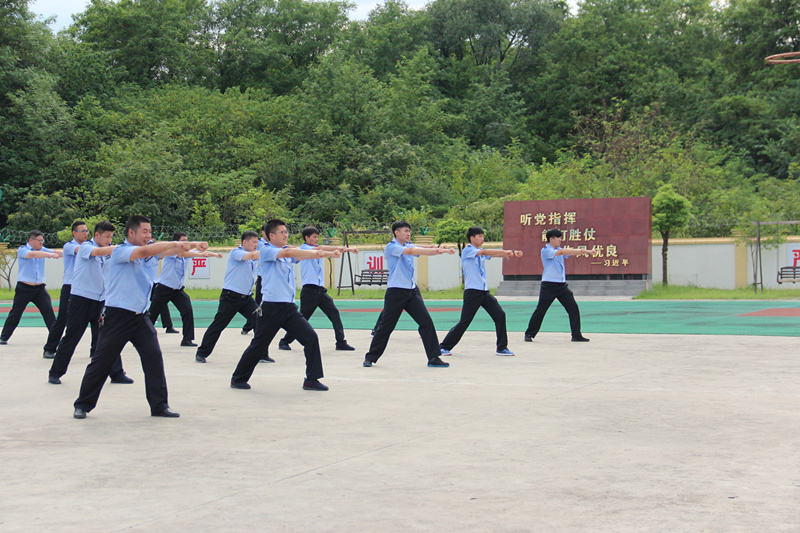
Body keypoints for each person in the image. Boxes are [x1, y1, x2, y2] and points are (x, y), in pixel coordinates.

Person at [72, 215, 208, 419]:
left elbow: (168, 250)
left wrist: (190, 246)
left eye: (150, 232)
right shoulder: (121, 251)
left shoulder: (150, 251)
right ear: (131, 233)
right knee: (102, 361)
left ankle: (159, 405)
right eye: (144, 231)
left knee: (154, 359)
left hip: (141, 317)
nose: (149, 235)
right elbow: (146, 250)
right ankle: (83, 404)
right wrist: (189, 243)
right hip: (118, 316)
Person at [230, 219, 340, 392]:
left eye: (287, 232)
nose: (286, 235)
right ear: (271, 235)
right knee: (258, 345)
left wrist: (324, 253)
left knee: (311, 338)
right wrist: (317, 253)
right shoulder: (266, 250)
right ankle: (238, 378)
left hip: (289, 308)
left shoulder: (284, 251)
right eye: (283, 232)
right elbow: (289, 253)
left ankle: (311, 379)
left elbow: (300, 255)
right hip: (271, 308)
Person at [48, 221, 133, 385]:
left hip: (101, 301)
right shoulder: (86, 247)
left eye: (111, 237)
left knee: (108, 337)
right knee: (72, 336)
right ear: (97, 235)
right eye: (107, 236)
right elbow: (99, 251)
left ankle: (116, 373)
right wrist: (121, 248)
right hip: (81, 300)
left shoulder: (110, 251)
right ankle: (55, 372)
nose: (109, 239)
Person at [363, 221, 455, 369]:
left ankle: (433, 357)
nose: (408, 233)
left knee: (426, 322)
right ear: (396, 233)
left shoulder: (407, 245)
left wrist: (437, 247)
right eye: (405, 231)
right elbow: (412, 251)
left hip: (411, 292)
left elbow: (420, 247)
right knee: (386, 327)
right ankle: (371, 357)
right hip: (396, 293)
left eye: (409, 231)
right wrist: (440, 251)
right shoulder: (392, 247)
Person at [439, 226, 523, 357]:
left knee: (500, 315)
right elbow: (485, 253)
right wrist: (509, 251)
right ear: (472, 238)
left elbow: (492, 254)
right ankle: (444, 346)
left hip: (483, 292)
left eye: (483, 236)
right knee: (464, 322)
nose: (482, 238)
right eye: (479, 236)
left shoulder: (479, 251)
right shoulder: (468, 251)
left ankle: (501, 347)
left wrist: (509, 253)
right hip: (473, 292)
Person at [278, 226, 357, 352]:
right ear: (306, 238)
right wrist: (337, 250)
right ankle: (284, 341)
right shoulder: (304, 248)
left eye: (317, 236)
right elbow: (320, 249)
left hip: (320, 290)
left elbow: (321, 248)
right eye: (314, 237)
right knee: (302, 318)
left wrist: (346, 249)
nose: (316, 239)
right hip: (309, 291)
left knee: (334, 314)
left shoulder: (317, 248)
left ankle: (341, 342)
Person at [194, 231, 261, 363]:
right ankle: (202, 353)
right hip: (231, 297)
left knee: (260, 322)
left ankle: (261, 354)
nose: (256, 245)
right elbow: (252, 255)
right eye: (254, 242)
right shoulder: (236, 253)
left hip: (246, 298)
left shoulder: (252, 258)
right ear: (245, 242)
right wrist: (272, 252)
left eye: (257, 243)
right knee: (218, 325)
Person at [524, 228, 599, 343]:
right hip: (549, 286)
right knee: (541, 310)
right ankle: (529, 333)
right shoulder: (546, 250)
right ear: (551, 239)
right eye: (558, 238)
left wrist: (585, 252)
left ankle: (576, 335)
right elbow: (563, 252)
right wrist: (586, 251)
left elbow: (566, 252)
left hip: (562, 286)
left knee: (573, 308)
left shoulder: (559, 249)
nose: (560, 240)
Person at [148, 232, 223, 347]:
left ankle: (187, 339)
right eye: (183, 241)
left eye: (187, 241)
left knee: (187, 310)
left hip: (177, 290)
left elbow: (203, 253)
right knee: (152, 314)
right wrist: (199, 254)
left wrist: (215, 255)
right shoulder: (173, 253)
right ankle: (143, 337)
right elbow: (185, 254)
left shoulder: (188, 253)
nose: (186, 243)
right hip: (164, 288)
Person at [0, 230, 62, 345]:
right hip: (24, 288)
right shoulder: (23, 250)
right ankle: (3, 337)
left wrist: (71, 252)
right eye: (39, 240)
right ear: (31, 240)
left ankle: (56, 339)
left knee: (49, 312)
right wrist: (49, 255)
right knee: (16, 313)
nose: (42, 243)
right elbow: (33, 255)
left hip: (40, 289)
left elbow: (56, 252)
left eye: (43, 240)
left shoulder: (42, 250)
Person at [43, 221, 90, 359]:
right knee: (63, 318)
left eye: (87, 231)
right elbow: (82, 251)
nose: (86, 233)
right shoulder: (69, 246)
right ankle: (50, 348)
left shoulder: (90, 246)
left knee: (95, 318)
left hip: (87, 287)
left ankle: (96, 350)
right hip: (71, 286)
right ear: (74, 233)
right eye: (83, 231)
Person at [142, 240, 176, 333]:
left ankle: (168, 326)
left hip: (155, 282)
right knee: (146, 306)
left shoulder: (156, 255)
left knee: (161, 304)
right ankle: (146, 325)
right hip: (144, 283)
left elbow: (164, 253)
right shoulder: (143, 255)